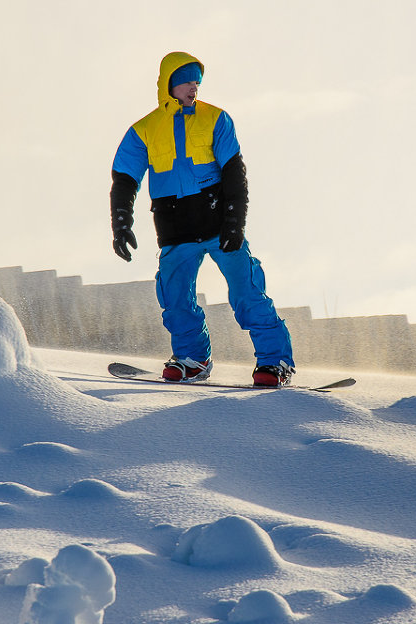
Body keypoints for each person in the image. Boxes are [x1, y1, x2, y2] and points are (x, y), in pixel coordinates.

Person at [109, 51, 295, 387]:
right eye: (186, 81)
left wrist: (235, 222)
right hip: (175, 229)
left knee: (247, 291)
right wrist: (121, 222)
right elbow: (124, 179)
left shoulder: (216, 118)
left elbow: (235, 173)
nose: (193, 87)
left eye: (197, 81)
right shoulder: (144, 130)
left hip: (217, 224)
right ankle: (192, 359)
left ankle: (274, 361)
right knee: (175, 297)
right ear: (169, 84)